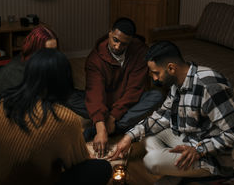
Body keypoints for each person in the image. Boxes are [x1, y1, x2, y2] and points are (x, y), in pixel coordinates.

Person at [110, 41, 234, 184]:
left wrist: (199, 149)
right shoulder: (178, 82)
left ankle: (190, 172)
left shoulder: (210, 87)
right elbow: (162, 116)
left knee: (151, 161)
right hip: (190, 138)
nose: (154, 78)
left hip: (216, 156)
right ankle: (181, 171)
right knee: (148, 137)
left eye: (156, 73)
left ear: (171, 68)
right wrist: (129, 136)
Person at [0, 48, 112, 185]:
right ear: (65, 79)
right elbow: (78, 163)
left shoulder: (0, 100)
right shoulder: (64, 119)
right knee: (102, 168)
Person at [67, 17, 163, 158]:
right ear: (110, 34)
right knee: (70, 97)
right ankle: (113, 126)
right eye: (115, 40)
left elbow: (134, 90)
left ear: (130, 42)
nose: (117, 46)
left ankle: (102, 128)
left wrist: (111, 118)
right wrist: (101, 127)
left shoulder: (141, 52)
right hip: (105, 101)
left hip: (127, 104)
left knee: (156, 96)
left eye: (123, 44)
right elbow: (95, 92)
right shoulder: (95, 58)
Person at [0, 25, 58, 139]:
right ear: (34, 50)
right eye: (47, 52)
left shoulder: (40, 65)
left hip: (4, 113)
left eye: (54, 51)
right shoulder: (19, 72)